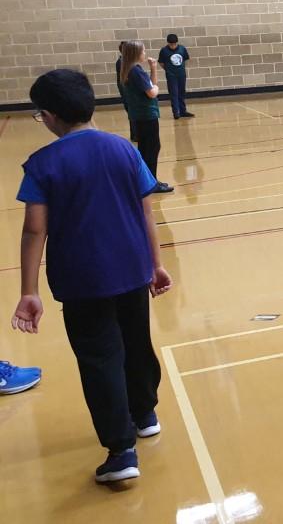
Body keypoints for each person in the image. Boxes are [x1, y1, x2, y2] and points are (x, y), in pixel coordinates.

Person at [13, 69, 173, 483]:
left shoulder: (42, 164)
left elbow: (34, 230)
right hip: (133, 270)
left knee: (100, 358)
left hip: (82, 281)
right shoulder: (124, 150)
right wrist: (156, 264)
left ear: (49, 116)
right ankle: (145, 414)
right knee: (136, 342)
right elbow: (146, 212)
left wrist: (29, 291)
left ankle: (121, 451)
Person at [119, 41, 173, 194]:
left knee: (146, 148)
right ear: (136, 53)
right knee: (151, 148)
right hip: (146, 115)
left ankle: (147, 181)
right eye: (143, 51)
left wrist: (153, 68)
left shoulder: (131, 69)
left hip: (141, 115)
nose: (145, 53)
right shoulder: (136, 71)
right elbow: (152, 92)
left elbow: (150, 84)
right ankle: (151, 183)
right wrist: (156, 89)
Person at [157, 34, 194, 119]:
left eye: (174, 44)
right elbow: (161, 62)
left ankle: (183, 111)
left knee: (181, 92)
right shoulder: (164, 51)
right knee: (174, 93)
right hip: (171, 75)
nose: (173, 46)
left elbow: (186, 59)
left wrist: (182, 68)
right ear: (168, 43)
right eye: (171, 44)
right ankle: (176, 112)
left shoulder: (182, 49)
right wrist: (168, 69)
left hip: (181, 74)